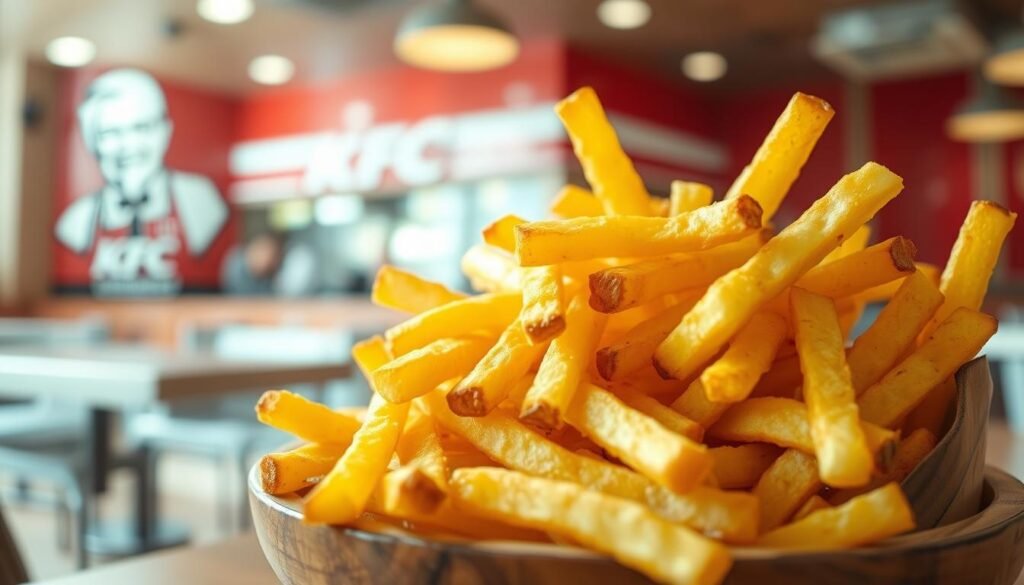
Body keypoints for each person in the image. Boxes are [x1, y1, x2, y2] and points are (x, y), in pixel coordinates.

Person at [54, 68, 228, 293]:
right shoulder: (76, 220)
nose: (129, 146)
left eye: (142, 128)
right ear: (92, 143)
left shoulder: (201, 200)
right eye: (111, 133)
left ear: (165, 132)